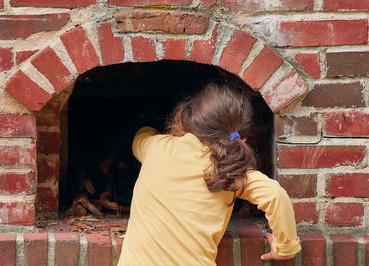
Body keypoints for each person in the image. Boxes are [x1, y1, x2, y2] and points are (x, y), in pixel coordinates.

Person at [117, 83, 301, 265]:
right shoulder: (230, 169)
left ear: (189, 120)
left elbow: (139, 139)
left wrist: (147, 129)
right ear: (240, 138)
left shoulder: (157, 146)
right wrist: (285, 248)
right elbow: (276, 195)